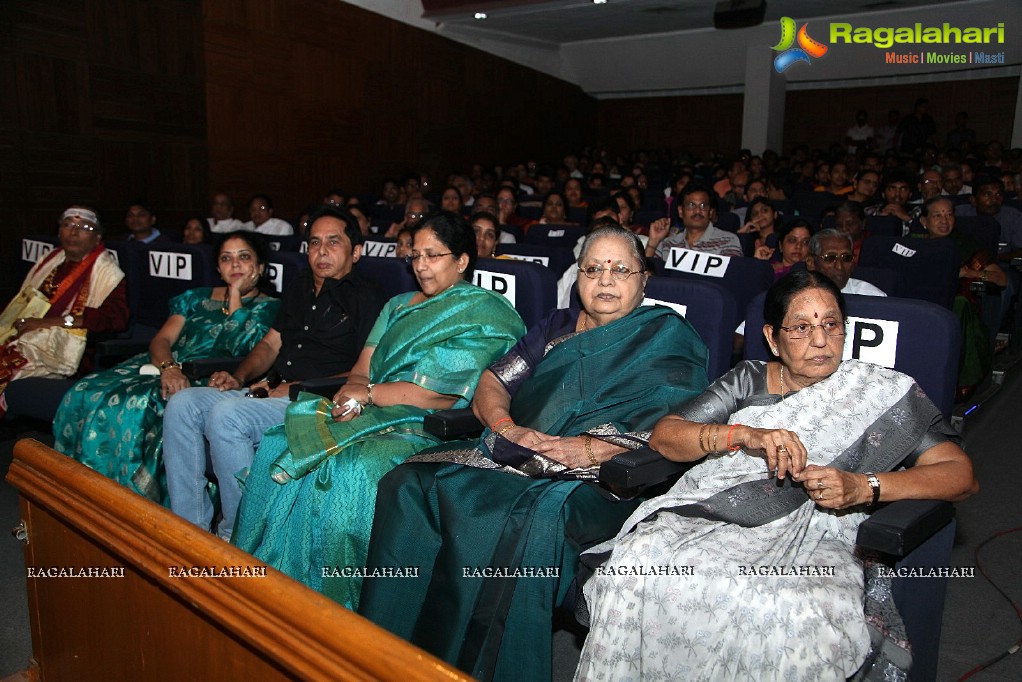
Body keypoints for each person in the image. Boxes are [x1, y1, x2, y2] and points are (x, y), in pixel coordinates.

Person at [576, 270, 978, 681]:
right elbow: (667, 436)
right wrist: (741, 434)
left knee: (795, 609)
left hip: (823, 530)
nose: (820, 341)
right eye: (801, 328)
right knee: (635, 566)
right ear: (772, 337)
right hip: (713, 514)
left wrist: (865, 485)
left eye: (831, 325)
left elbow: (960, 475)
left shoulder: (883, 391)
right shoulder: (747, 380)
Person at [358, 226, 711, 682]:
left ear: (644, 280)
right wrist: (507, 428)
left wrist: (589, 448)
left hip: (603, 478)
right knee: (407, 484)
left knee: (506, 515)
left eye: (621, 269)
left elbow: (672, 427)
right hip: (516, 454)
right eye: (593, 269)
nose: (605, 280)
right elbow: (493, 382)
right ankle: (385, 652)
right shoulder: (556, 328)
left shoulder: (666, 337)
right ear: (577, 277)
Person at [232, 212, 526, 608]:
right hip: (373, 406)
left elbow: (438, 395)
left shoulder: (487, 312)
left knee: (350, 468)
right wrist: (351, 393)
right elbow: (361, 369)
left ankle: (338, 601)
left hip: (431, 425)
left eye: (433, 255)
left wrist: (367, 394)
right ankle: (272, 583)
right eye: (415, 255)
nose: (420, 265)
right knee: (280, 441)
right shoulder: (397, 305)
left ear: (461, 261)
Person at [162, 205, 386, 540]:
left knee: (227, 416)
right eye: (314, 242)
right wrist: (238, 377)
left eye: (333, 242)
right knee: (184, 404)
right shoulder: (298, 287)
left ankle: (238, 537)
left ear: (356, 251)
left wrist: (296, 388)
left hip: (318, 399)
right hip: (271, 390)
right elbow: (270, 345)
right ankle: (189, 529)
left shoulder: (369, 297)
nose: (321, 251)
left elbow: (366, 371)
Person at [53, 232, 280, 504]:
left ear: (261, 267)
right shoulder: (194, 298)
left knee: (137, 404)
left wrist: (234, 299)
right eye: (226, 258)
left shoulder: (271, 308)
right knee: (85, 390)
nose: (235, 266)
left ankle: (131, 502)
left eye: (244, 257)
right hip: (166, 366)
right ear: (218, 268)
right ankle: (81, 491)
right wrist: (169, 368)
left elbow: (237, 350)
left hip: (211, 376)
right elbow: (162, 340)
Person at [0, 206, 128, 413]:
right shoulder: (52, 260)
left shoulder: (108, 273)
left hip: (63, 348)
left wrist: (50, 323)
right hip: (24, 334)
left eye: (84, 227)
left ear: (97, 238)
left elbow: (114, 319)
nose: (74, 232)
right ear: (59, 232)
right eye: (68, 225)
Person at [918, 196, 1005, 397]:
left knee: (958, 305)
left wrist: (969, 273)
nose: (944, 221)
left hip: (958, 306)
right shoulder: (915, 246)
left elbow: (1001, 279)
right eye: (937, 215)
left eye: (949, 215)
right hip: (922, 304)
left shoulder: (965, 245)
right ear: (924, 221)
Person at [646, 184, 743, 260]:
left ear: (710, 212)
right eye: (691, 205)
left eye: (703, 206)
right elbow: (644, 278)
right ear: (680, 211)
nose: (697, 211)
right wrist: (653, 243)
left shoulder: (728, 241)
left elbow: (729, 281)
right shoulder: (668, 244)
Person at [806, 228, 886, 296]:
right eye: (830, 258)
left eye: (846, 258)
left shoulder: (873, 298)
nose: (839, 266)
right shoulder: (796, 298)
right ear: (811, 263)